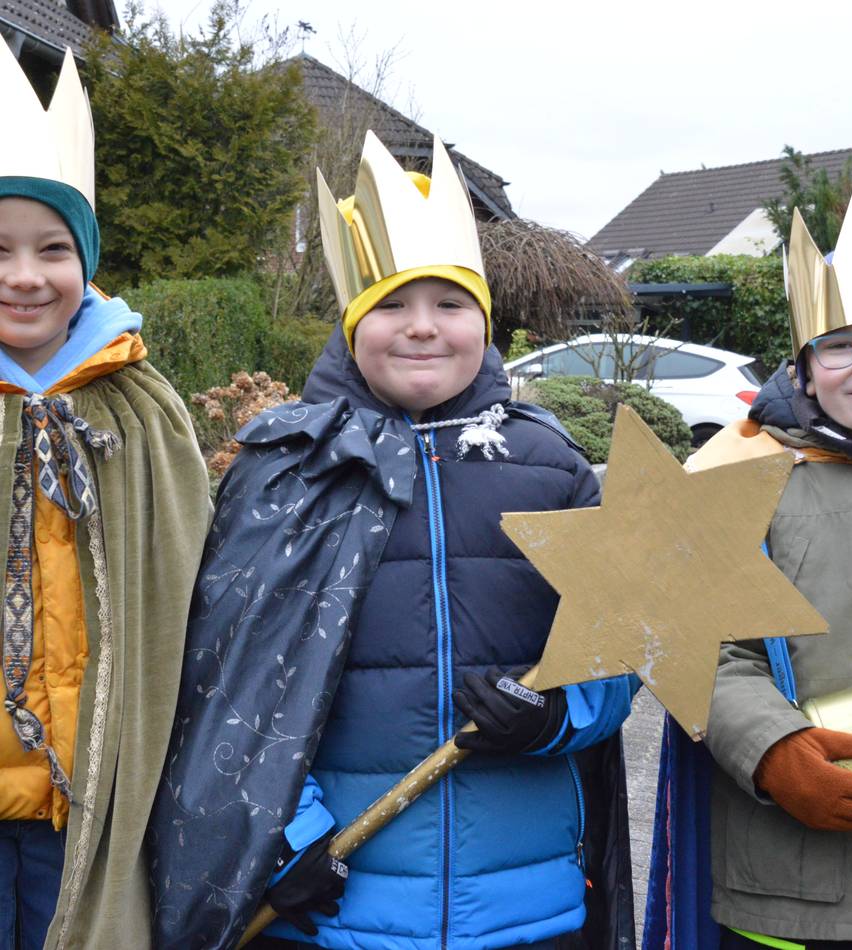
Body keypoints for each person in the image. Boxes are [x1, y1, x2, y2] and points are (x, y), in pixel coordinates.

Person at [149, 131, 638, 949]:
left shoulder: (551, 465)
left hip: (525, 909)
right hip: (341, 907)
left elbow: (625, 653)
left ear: (484, 322)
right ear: (350, 326)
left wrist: (557, 714)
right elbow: (229, 689)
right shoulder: (287, 468)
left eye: (450, 305)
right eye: (391, 306)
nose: (422, 329)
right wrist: (292, 840)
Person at [644, 183, 852, 950]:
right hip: (793, 888)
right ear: (806, 369)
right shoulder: (736, 473)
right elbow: (694, 642)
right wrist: (774, 752)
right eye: (841, 346)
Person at [0, 44, 210, 949]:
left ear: (86, 262)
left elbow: (186, 588)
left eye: (54, 249)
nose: (25, 276)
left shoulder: (141, 408)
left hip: (91, 799)